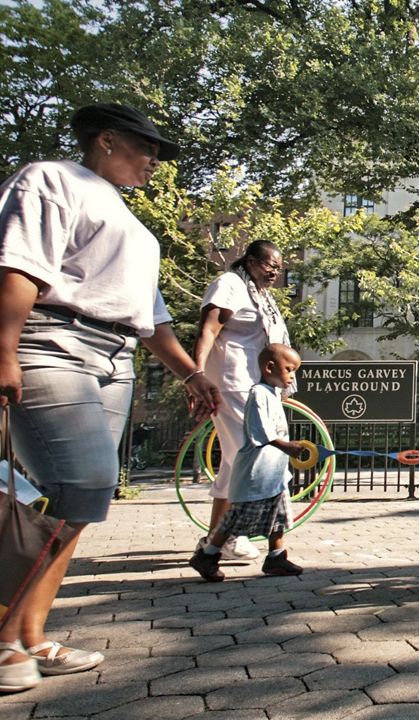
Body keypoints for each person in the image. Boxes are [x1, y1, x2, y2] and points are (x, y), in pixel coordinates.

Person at [0, 103, 220, 693]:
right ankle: (3, 641)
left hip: (115, 357)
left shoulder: (129, 220)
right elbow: (19, 266)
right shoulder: (52, 179)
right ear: (104, 140)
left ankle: (31, 637)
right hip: (52, 342)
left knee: (78, 505)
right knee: (82, 484)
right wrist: (3, 348)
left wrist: (190, 375)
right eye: (144, 149)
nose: (153, 162)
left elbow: (150, 318)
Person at [192, 239, 292, 561]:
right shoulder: (230, 284)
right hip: (234, 384)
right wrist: (196, 376)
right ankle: (236, 538)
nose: (274, 272)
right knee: (257, 461)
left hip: (258, 387)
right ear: (249, 260)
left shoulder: (262, 296)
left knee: (234, 465)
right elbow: (207, 330)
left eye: (278, 268)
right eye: (269, 265)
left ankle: (214, 540)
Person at [189, 344, 306, 582]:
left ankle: (276, 556)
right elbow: (258, 431)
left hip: (274, 470)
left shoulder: (273, 393)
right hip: (256, 470)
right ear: (269, 367)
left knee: (278, 515)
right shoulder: (258, 393)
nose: (292, 375)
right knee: (237, 516)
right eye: (289, 369)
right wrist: (287, 446)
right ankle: (208, 554)